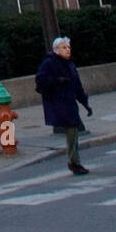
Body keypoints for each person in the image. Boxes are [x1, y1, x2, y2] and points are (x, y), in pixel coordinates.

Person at [36, 36, 93, 175]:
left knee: (73, 130)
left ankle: (74, 161)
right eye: (64, 47)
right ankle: (74, 162)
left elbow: (78, 87)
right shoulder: (49, 63)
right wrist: (56, 81)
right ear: (56, 50)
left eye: (68, 47)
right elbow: (40, 82)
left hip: (69, 102)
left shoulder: (70, 65)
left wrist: (85, 103)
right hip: (58, 103)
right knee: (72, 128)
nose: (67, 50)